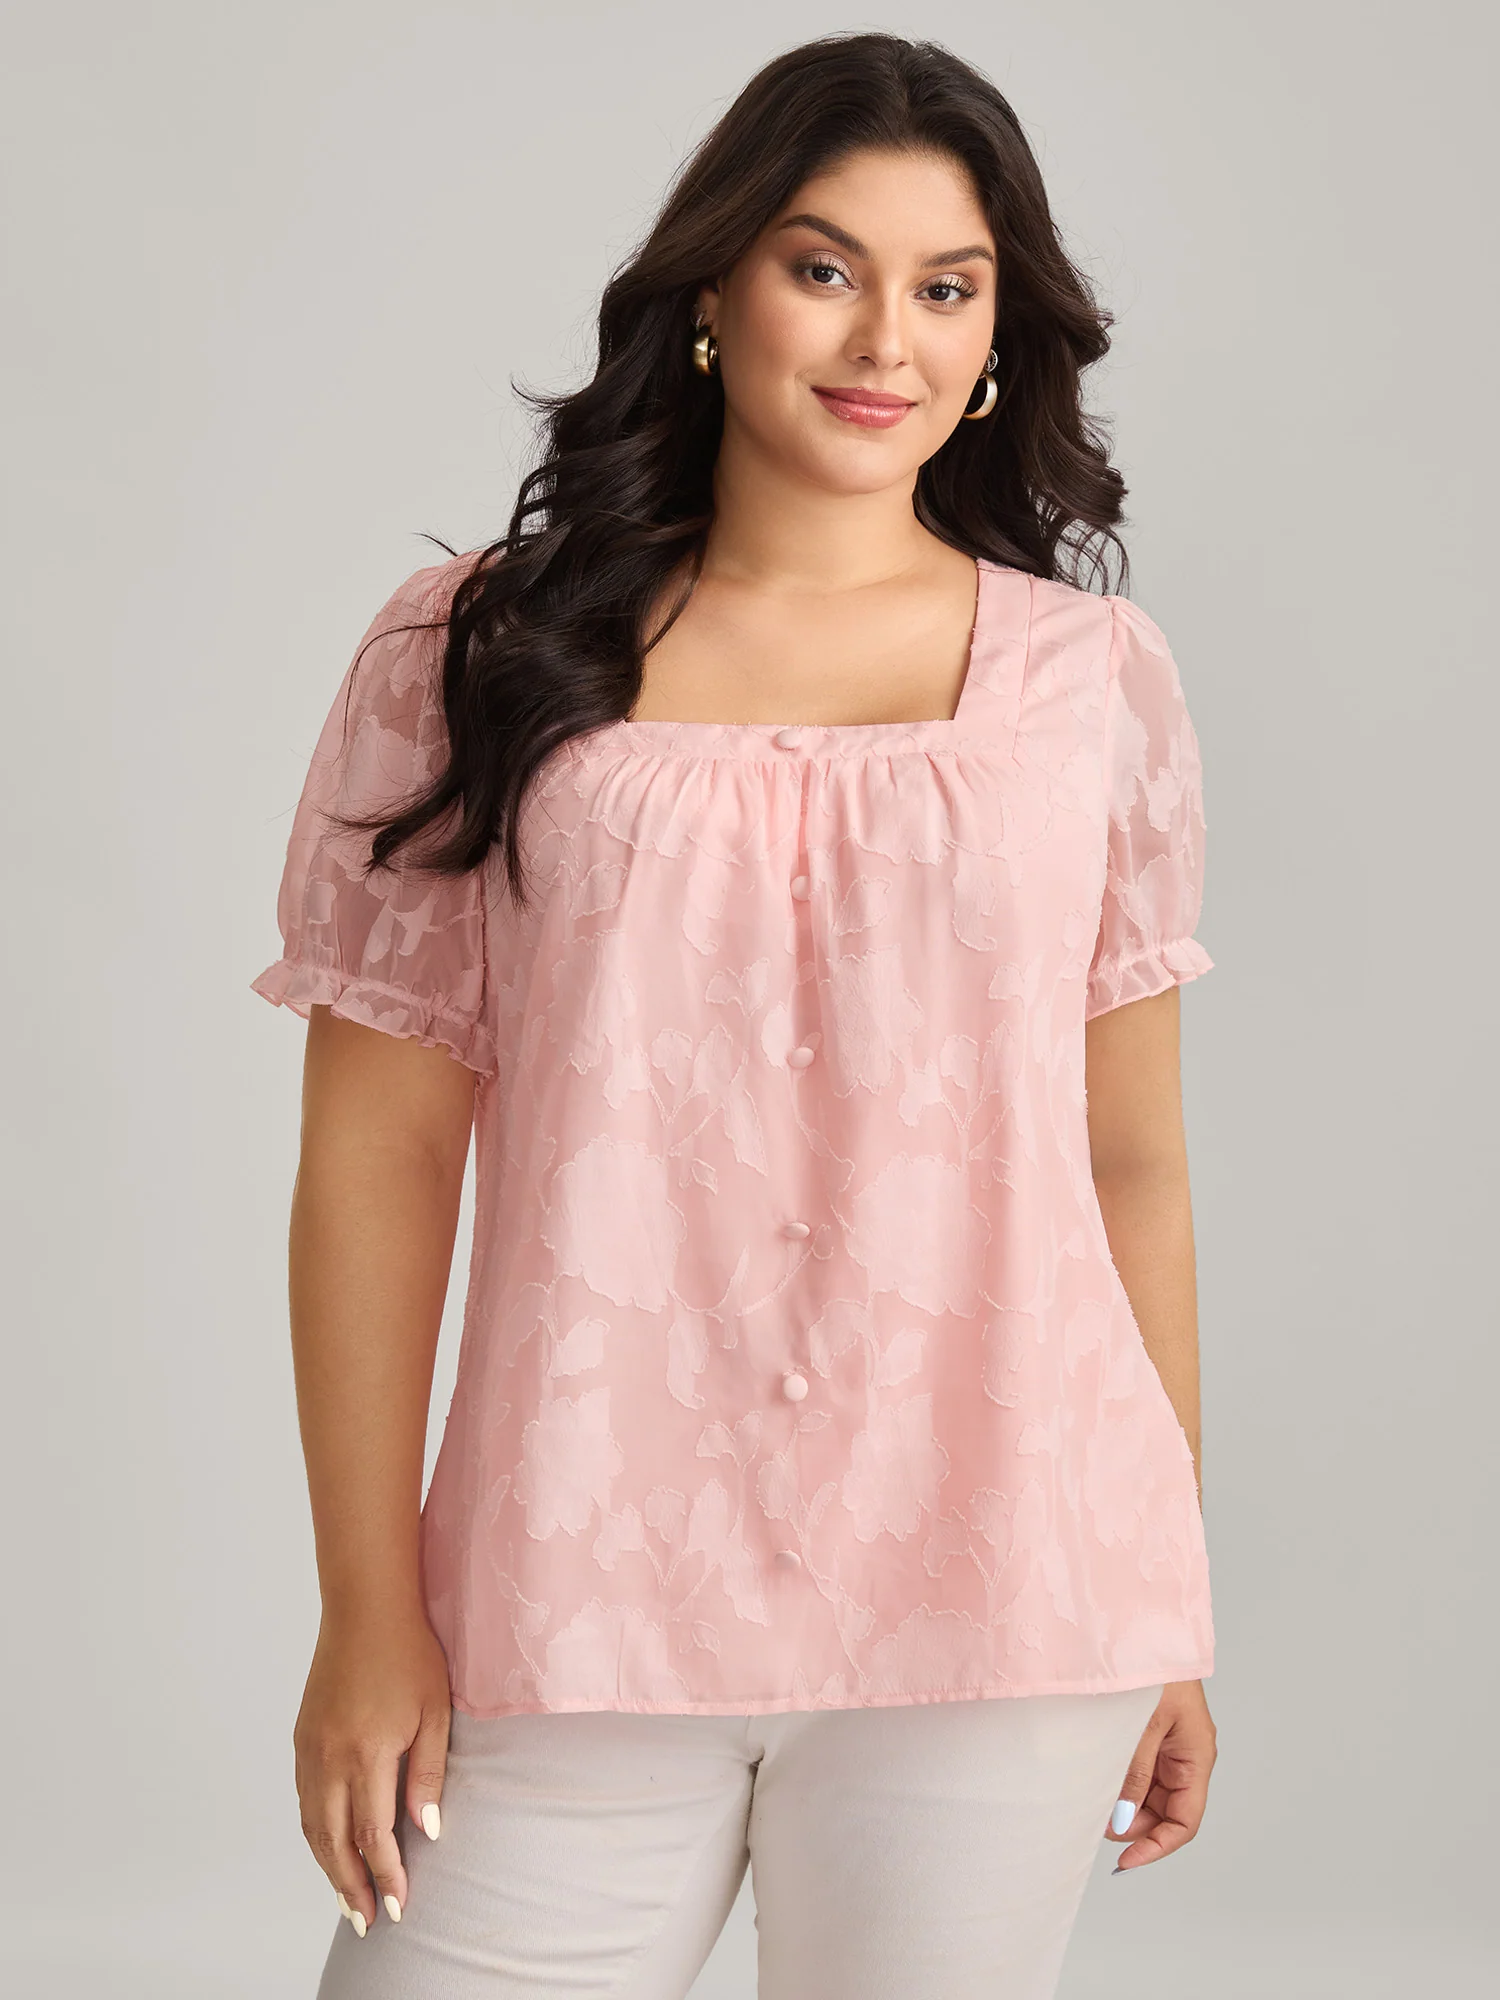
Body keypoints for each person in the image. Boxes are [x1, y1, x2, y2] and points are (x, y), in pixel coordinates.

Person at [250, 29, 1219, 2000]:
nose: (884, 340)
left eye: (947, 289)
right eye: (824, 266)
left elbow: (1128, 1159)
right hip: (570, 1585)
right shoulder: (482, 648)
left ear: (999, 336)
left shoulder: (1089, 686)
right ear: (712, 290)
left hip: (1009, 1597)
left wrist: (1171, 1606)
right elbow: (377, 1150)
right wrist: (367, 1608)